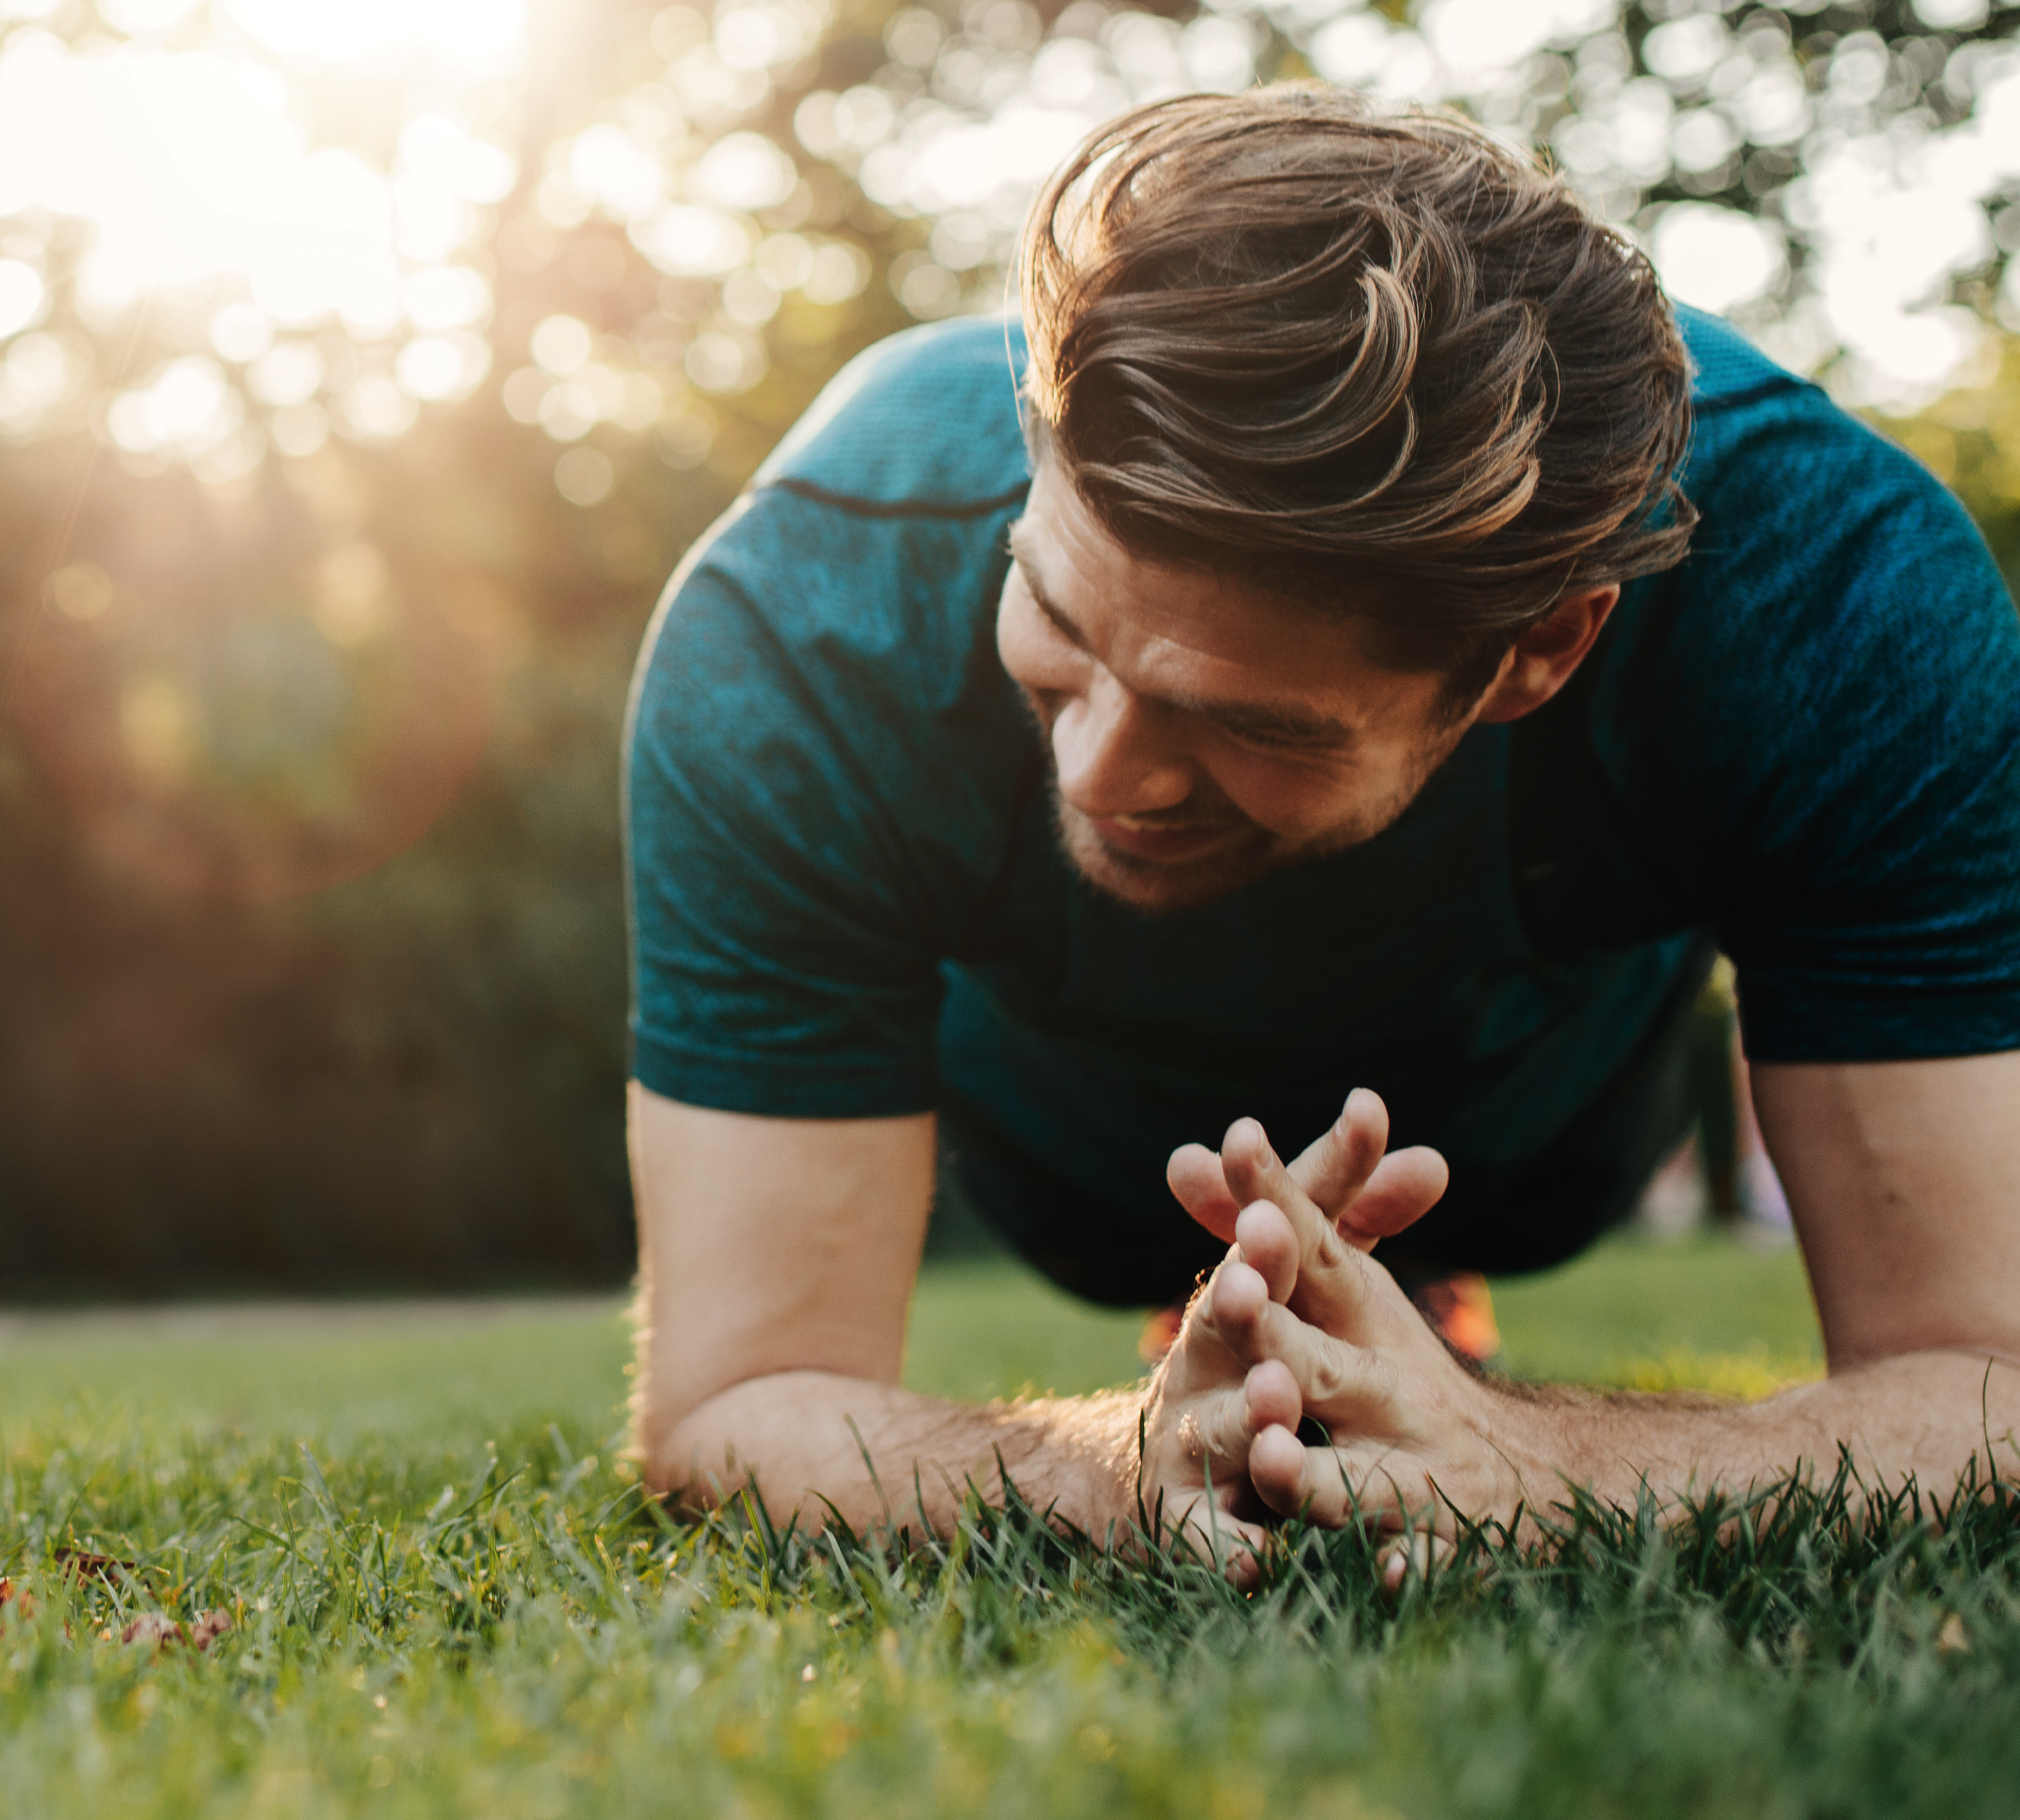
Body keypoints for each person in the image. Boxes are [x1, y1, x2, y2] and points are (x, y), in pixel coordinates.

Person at [624, 88, 2020, 1574]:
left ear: (1541, 649)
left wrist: (1531, 1462)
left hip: (1534, 1129)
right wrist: (1126, 1464)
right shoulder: (796, 617)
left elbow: (1988, 1381)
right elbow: (731, 1402)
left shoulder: (1838, 602)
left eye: (1251, 721)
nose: (1097, 773)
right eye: (1051, 612)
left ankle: (1417, 1291)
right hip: (1068, 1152)